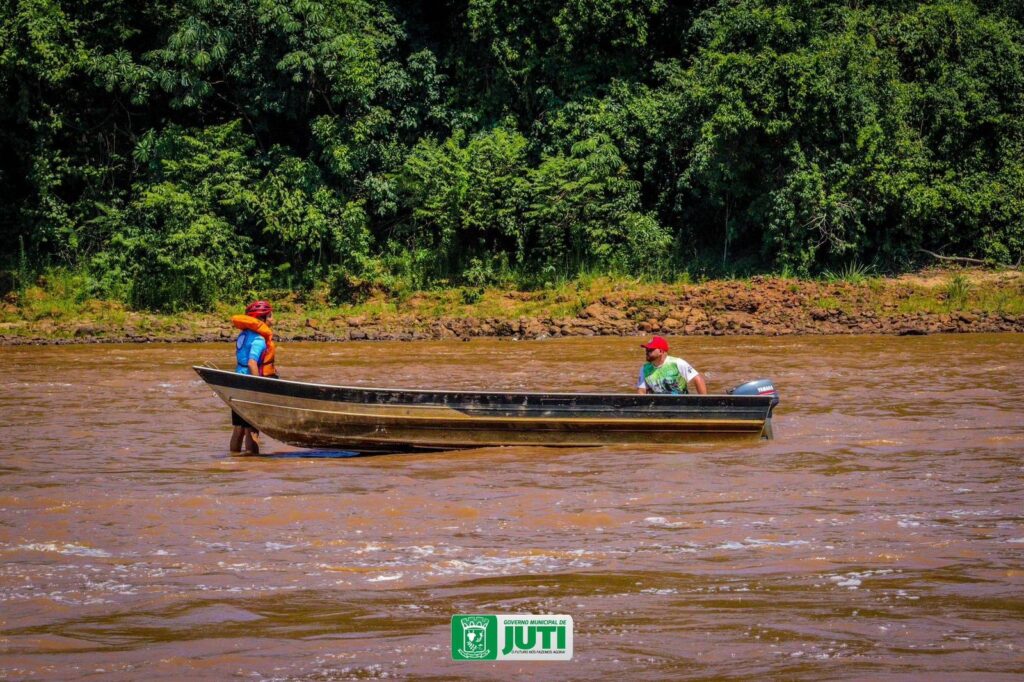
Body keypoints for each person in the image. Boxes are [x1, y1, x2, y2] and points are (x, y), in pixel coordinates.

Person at [229, 300, 277, 454]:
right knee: (252, 430)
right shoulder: (258, 339)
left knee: (239, 429)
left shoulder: (244, 334)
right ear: (262, 319)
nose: (273, 318)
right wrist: (257, 388)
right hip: (249, 385)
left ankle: (234, 461)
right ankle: (253, 465)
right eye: (270, 316)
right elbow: (251, 363)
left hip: (237, 383)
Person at [636, 335, 707, 395]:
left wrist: (704, 403)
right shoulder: (644, 369)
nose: (647, 352)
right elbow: (641, 391)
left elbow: (698, 379)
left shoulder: (677, 363)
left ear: (661, 351)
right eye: (646, 350)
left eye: (650, 350)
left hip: (681, 404)